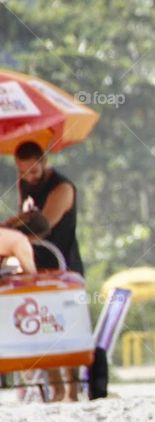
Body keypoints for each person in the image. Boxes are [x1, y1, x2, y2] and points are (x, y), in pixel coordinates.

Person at [3, 141, 84, 401]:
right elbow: (23, 217)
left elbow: (41, 225)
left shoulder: (62, 187)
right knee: (41, 325)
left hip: (63, 263)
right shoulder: (24, 181)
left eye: (34, 172)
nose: (29, 177)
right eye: (23, 171)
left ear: (45, 164)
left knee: (66, 325)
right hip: (37, 264)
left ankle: (72, 389)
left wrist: (11, 229)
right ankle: (56, 388)